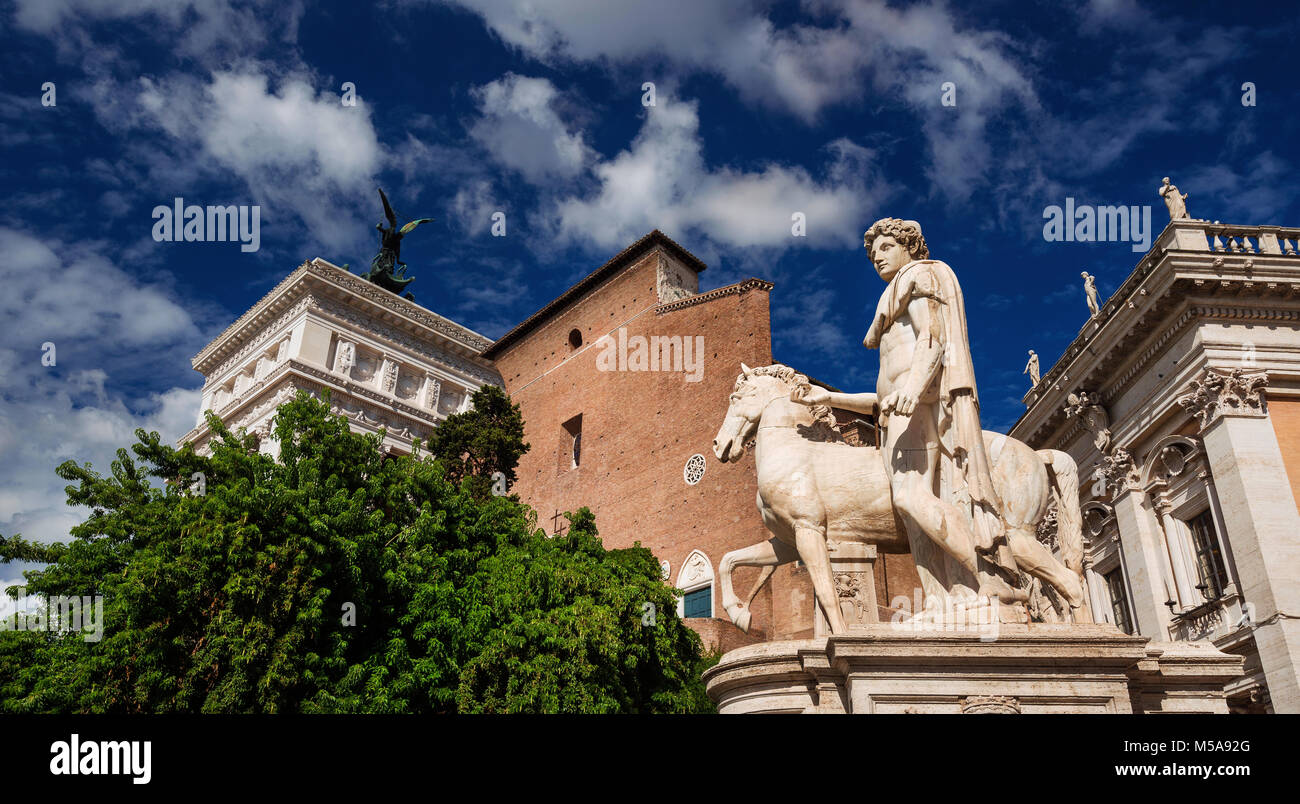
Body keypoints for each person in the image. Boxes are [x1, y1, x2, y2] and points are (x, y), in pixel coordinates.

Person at [793, 218, 1021, 602]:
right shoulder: (896, 295)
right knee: (915, 517)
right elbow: (883, 398)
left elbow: (932, 339)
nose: (877, 258)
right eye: (872, 253)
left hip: (916, 404)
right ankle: (943, 599)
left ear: (909, 246)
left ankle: (992, 580)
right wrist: (829, 398)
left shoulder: (918, 278)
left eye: (886, 247)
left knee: (909, 497)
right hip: (899, 408)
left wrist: (913, 391)